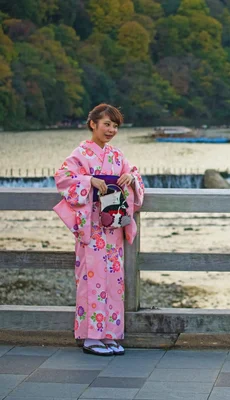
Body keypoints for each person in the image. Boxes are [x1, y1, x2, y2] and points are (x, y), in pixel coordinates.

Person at [54, 104, 144, 356]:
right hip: (91, 226)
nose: (111, 130)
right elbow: (62, 177)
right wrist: (88, 180)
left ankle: (109, 335)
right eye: (107, 124)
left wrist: (131, 179)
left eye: (115, 126)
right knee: (91, 279)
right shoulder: (80, 153)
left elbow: (134, 173)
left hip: (113, 226)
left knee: (114, 282)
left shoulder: (117, 155)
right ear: (93, 124)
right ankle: (90, 337)